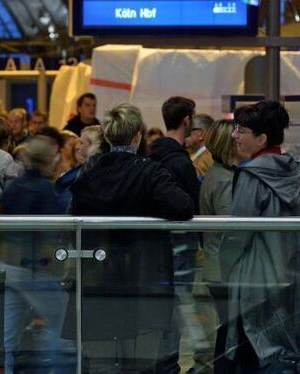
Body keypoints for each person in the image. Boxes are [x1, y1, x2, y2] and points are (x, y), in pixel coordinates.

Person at [67, 103, 194, 372]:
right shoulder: (151, 172)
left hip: (96, 280)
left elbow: (72, 220)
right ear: (138, 136)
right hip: (144, 281)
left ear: (107, 136)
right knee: (142, 365)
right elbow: (182, 206)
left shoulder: (89, 174)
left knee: (101, 366)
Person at [220, 100, 300, 371]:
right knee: (283, 348)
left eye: (242, 130)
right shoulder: (292, 171)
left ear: (261, 138)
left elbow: (237, 234)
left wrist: (224, 265)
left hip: (255, 278)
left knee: (255, 351)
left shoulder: (251, 176)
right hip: (291, 272)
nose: (234, 135)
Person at [0, 135, 74, 373]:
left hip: (9, 265)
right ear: (48, 160)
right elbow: (50, 231)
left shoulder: (13, 186)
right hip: (34, 268)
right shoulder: (45, 189)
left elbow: (0, 222)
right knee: (60, 323)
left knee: (7, 331)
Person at [149, 96, 201, 372]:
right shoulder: (181, 163)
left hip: (155, 246)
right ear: (187, 121)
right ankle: (169, 365)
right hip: (180, 246)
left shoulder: (151, 156)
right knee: (178, 307)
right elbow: (191, 205)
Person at [199, 119, 243, 374]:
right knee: (230, 334)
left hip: (217, 266)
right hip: (225, 269)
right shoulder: (225, 180)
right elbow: (232, 228)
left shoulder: (216, 173)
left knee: (228, 330)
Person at [55, 125, 108, 213]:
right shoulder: (79, 172)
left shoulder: (92, 174)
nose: (78, 147)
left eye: (82, 143)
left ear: (94, 146)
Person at [187, 113, 214, 178]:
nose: (185, 133)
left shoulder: (207, 160)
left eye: (189, 130)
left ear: (201, 134)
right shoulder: (192, 154)